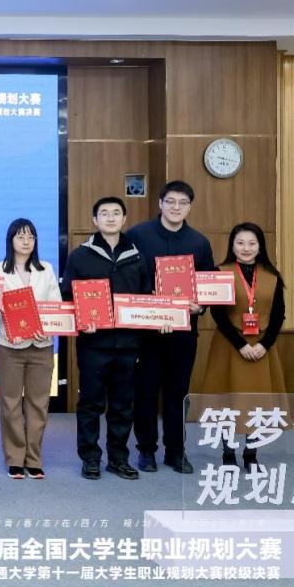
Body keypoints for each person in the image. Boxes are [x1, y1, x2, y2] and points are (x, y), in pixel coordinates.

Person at [61, 197, 154, 481]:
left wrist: (162, 315)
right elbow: (67, 297)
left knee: (122, 405)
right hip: (93, 344)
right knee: (90, 403)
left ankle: (118, 458)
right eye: (104, 213)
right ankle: (90, 457)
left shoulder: (138, 255)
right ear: (95, 220)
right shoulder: (80, 255)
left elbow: (148, 297)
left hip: (129, 344)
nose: (110, 218)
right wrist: (81, 320)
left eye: (116, 213)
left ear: (124, 219)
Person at [126, 180, 215, 475]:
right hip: (147, 331)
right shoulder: (138, 235)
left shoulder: (199, 242)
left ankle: (176, 451)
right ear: (160, 204)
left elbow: (208, 285)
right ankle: (146, 450)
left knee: (178, 392)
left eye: (183, 203)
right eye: (171, 201)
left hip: (183, 332)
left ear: (190, 206)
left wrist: (200, 306)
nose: (176, 207)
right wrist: (149, 301)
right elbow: (127, 277)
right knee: (146, 391)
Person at [192, 222, 287, 471]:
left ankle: (251, 454)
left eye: (252, 243)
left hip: (262, 347)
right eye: (240, 243)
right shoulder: (220, 272)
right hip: (229, 345)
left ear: (260, 246)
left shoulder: (272, 276)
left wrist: (265, 344)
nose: (246, 248)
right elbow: (218, 314)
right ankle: (228, 453)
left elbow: (279, 315)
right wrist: (241, 344)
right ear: (232, 246)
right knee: (228, 401)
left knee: (256, 402)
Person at [0, 218, 61, 480]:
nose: (26, 241)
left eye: (31, 237)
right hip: (9, 346)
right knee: (10, 404)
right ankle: (15, 459)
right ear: (11, 240)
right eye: (20, 236)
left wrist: (47, 328)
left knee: (39, 404)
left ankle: (34, 459)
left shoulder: (46, 269)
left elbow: (55, 305)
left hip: (42, 345)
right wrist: (3, 322)